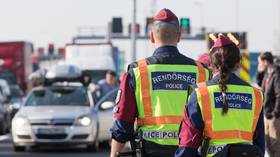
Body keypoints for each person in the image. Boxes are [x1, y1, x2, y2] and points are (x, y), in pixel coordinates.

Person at [110, 8, 210, 157]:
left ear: (151, 37)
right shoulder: (202, 72)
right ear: (179, 37)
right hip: (191, 151)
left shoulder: (137, 72)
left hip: (150, 151)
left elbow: (123, 124)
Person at [175, 35, 265, 157]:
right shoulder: (256, 95)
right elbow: (259, 147)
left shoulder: (200, 93)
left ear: (211, 64)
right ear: (238, 63)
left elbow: (188, 145)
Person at [257, 52, 280, 157]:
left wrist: (275, 113)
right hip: (267, 113)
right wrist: (259, 70)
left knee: (276, 142)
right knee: (268, 142)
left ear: (265, 61)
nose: (260, 64)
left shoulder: (277, 74)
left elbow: (279, 95)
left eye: (260, 62)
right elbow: (259, 82)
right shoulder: (268, 73)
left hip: (274, 115)